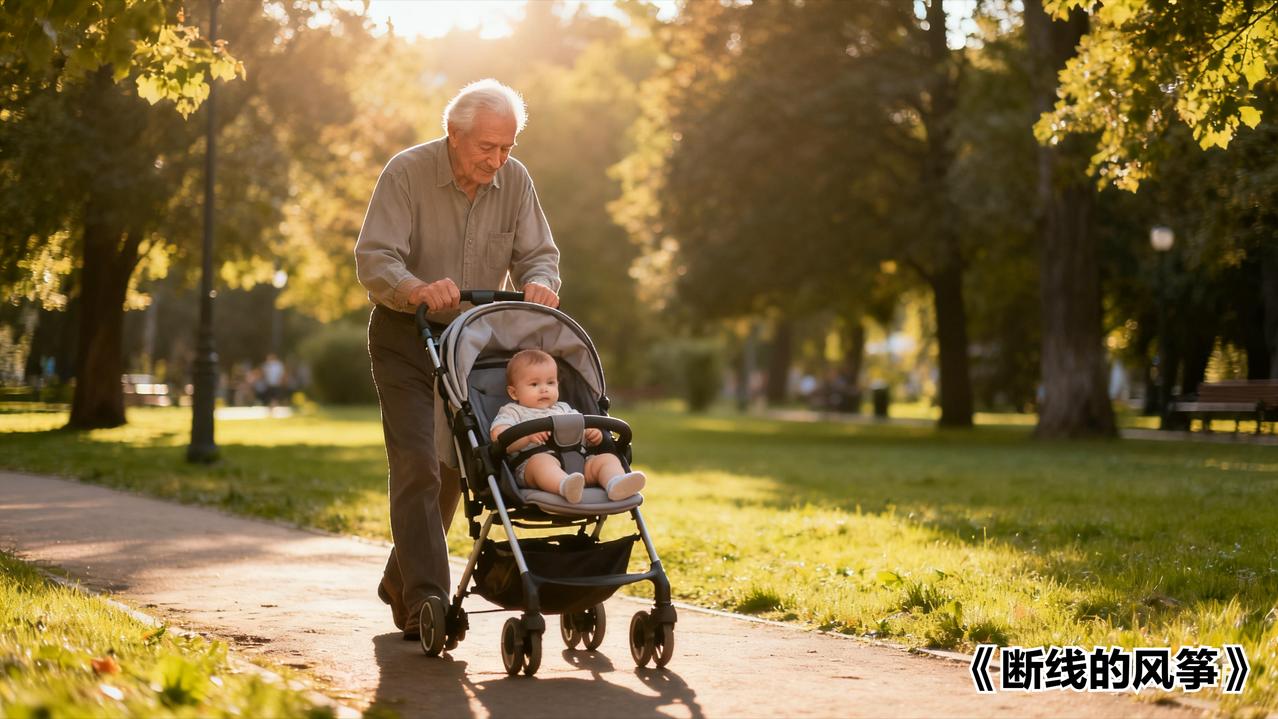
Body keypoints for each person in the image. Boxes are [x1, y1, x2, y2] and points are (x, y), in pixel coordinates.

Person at [355, 79, 562, 641]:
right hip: (405, 334)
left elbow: (538, 254)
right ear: (454, 134)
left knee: (454, 468)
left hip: (470, 342)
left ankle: (400, 579)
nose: (497, 161)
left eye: (507, 148)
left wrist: (540, 282)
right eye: (486, 148)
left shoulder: (515, 182)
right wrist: (416, 287)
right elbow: (374, 258)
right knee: (418, 463)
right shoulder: (406, 172)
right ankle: (427, 598)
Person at [490, 349, 645, 503]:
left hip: (579, 461)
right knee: (542, 463)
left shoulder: (564, 408)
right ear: (514, 392)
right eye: (534, 384)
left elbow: (580, 428)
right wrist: (526, 437)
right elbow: (498, 438)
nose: (544, 388)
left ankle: (615, 483)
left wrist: (591, 434)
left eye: (550, 382)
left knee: (607, 458)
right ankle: (564, 486)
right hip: (532, 464)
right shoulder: (512, 411)